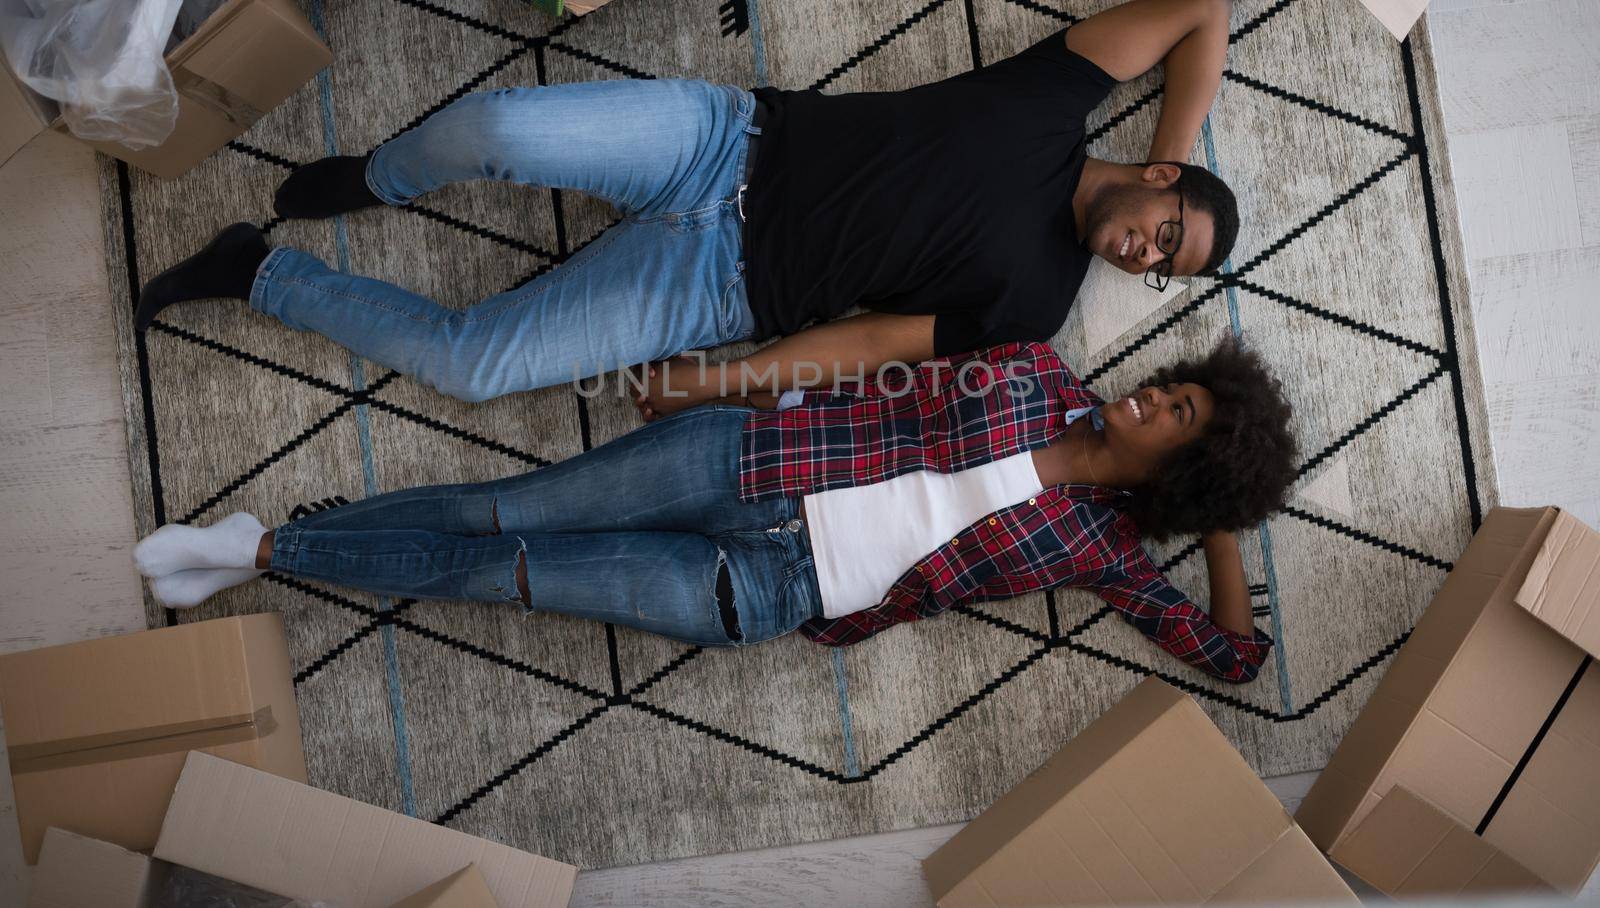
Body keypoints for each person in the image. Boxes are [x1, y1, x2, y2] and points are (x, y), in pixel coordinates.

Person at [131, 0, 1239, 405]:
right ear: (1155, 178)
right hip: (725, 142)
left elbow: (869, 345)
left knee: (474, 368)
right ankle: (378, 177)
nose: (1147, 253)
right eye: (1168, 231)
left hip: (716, 289)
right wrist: (1174, 156)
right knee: (500, 129)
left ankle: (257, 271)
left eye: (1162, 267)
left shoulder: (1038, 302)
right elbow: (1203, 14)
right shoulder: (1055, 104)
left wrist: (721, 380)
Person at [131, 337, 1295, 684]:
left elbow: (1233, 657)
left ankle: (274, 553)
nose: (1150, 398)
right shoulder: (1038, 371)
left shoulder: (1102, 550)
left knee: (511, 577)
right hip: (748, 461)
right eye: (1175, 389)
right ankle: (269, 546)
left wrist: (1219, 519)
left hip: (770, 589)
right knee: (501, 513)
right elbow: (881, 368)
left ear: (1174, 476)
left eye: (1176, 420)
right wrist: (718, 381)